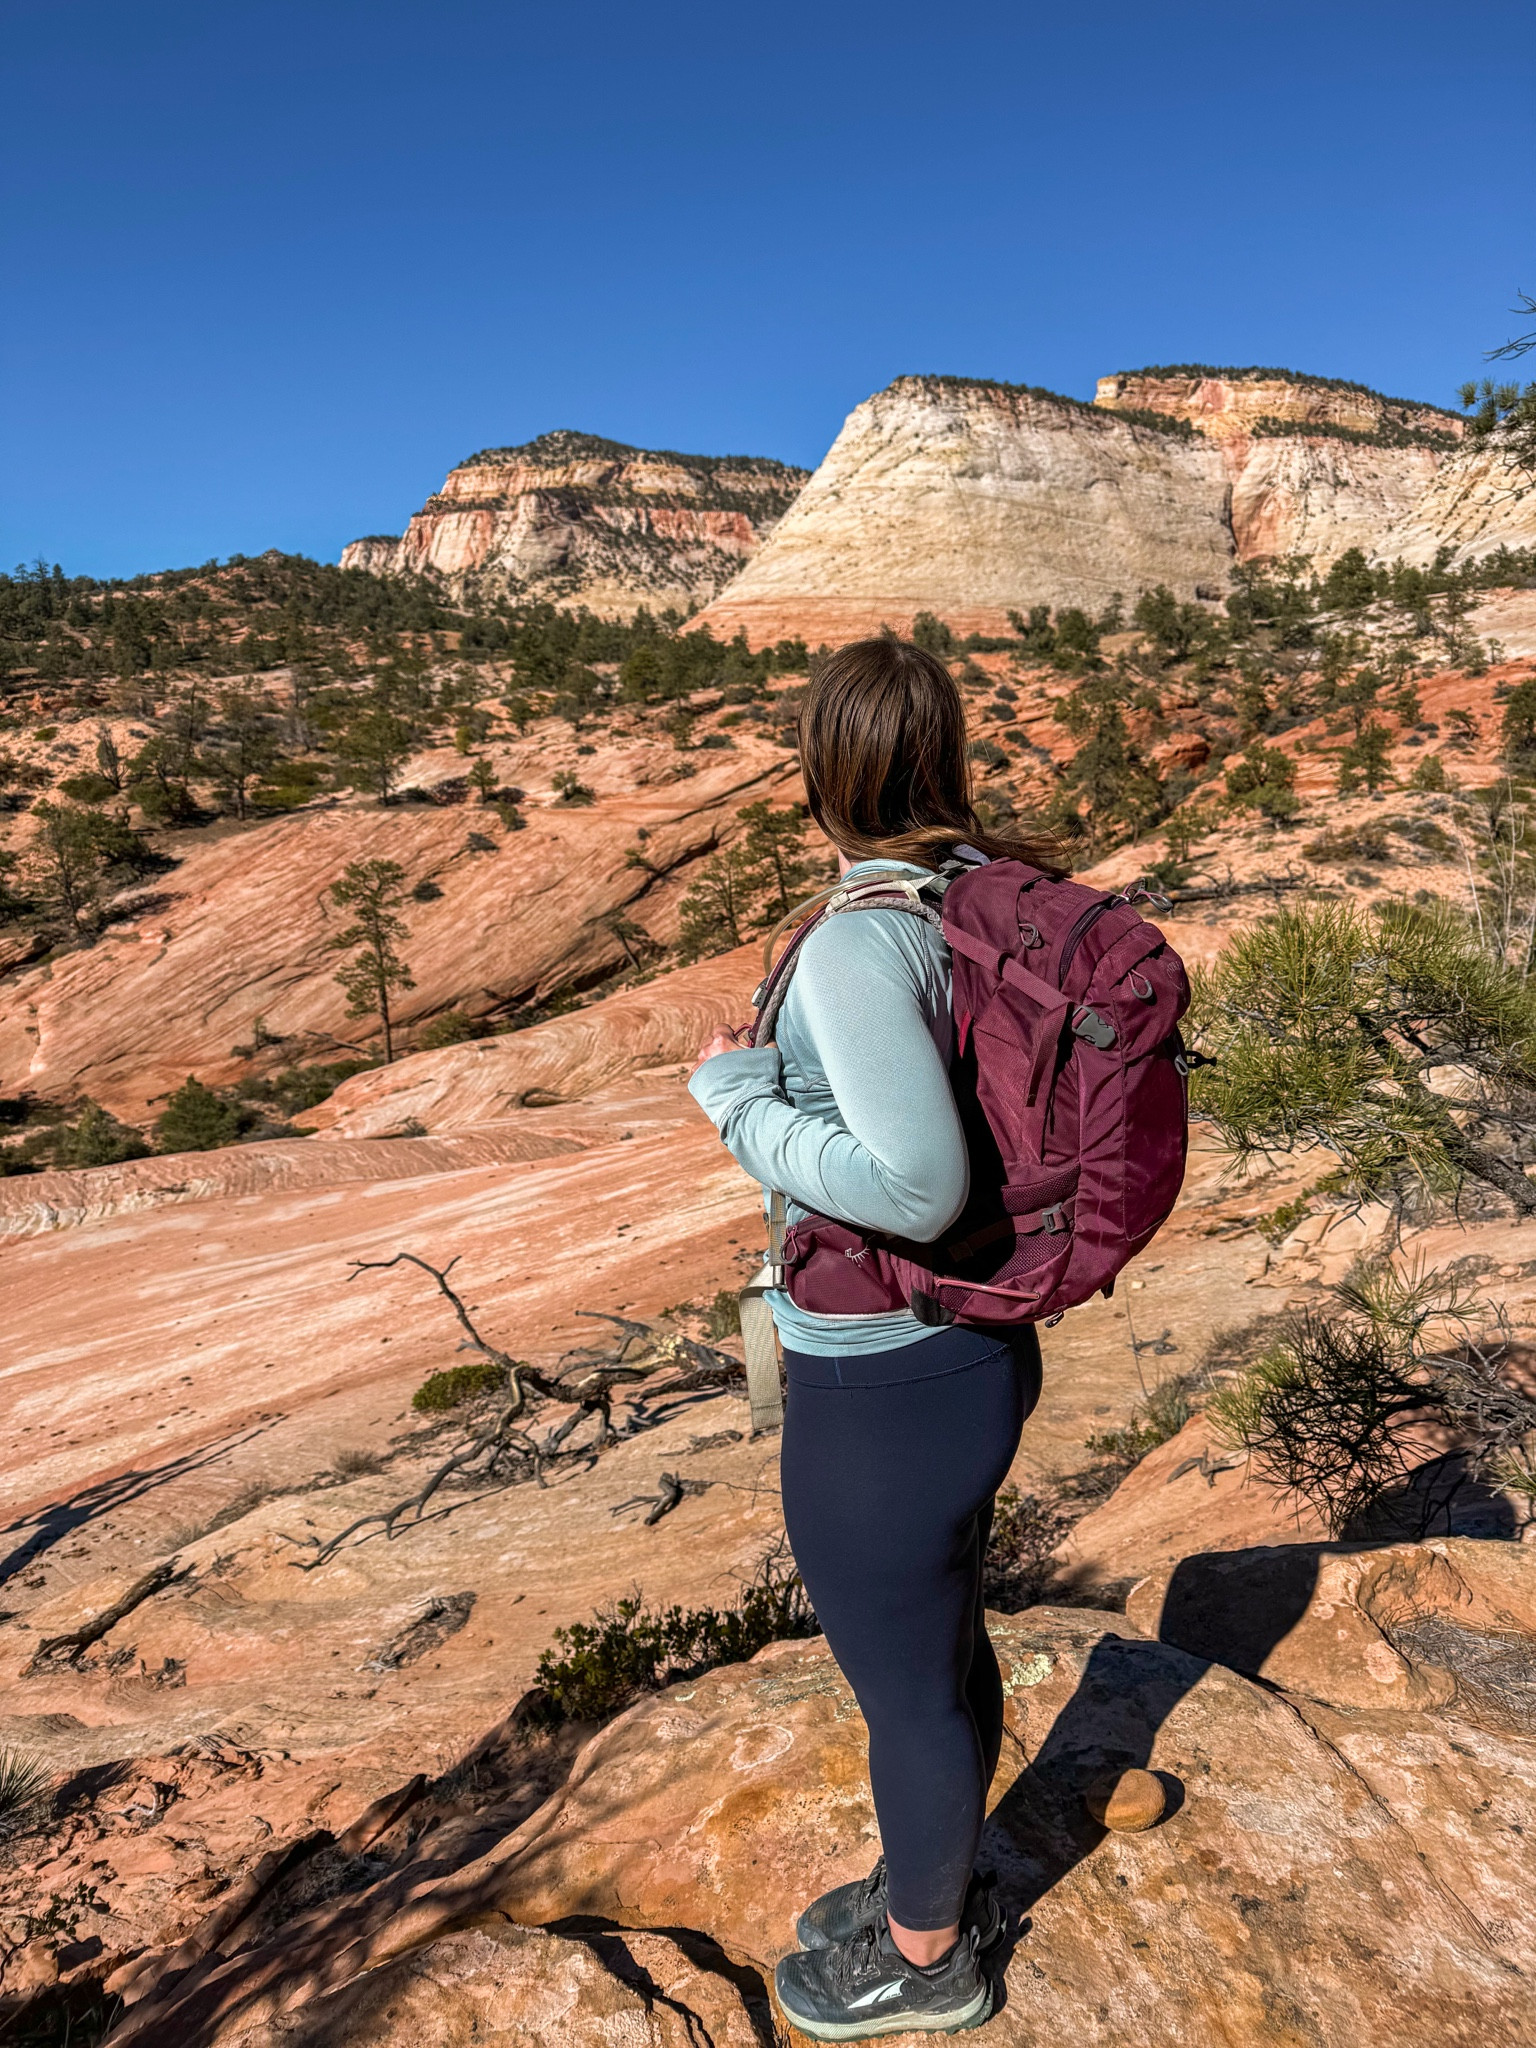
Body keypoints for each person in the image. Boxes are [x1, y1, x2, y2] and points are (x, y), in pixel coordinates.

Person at [687, 635, 1065, 2040]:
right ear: (944, 757)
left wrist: (736, 1100)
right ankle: (936, 1877)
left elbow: (917, 1187)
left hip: (884, 1373)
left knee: (906, 1687)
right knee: (941, 1638)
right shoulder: (975, 897)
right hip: (967, 1350)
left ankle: (928, 1958)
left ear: (820, 774)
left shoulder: (861, 938)